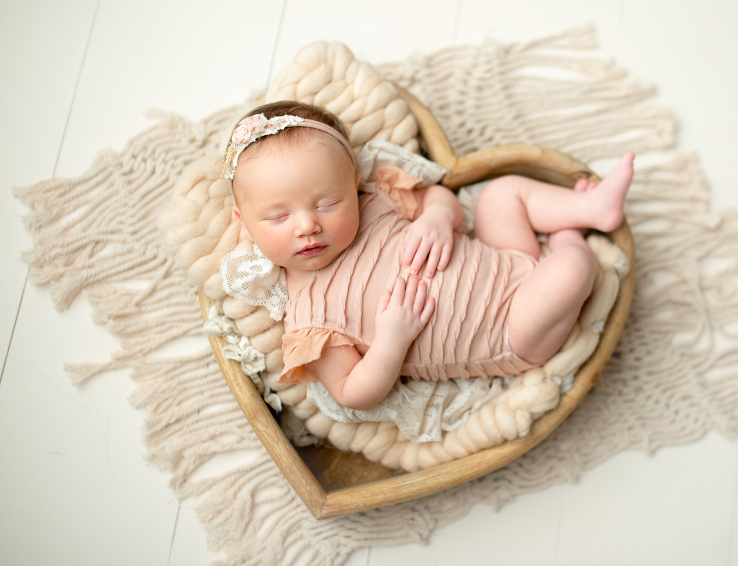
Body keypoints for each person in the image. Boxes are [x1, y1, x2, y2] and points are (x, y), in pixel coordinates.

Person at [222, 100, 633, 410]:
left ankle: (591, 209)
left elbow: (440, 197)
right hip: (510, 330)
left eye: (328, 203)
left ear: (354, 185)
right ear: (245, 223)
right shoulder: (310, 317)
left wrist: (437, 217)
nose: (307, 226)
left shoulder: (377, 201)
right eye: (278, 216)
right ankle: (568, 239)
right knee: (569, 272)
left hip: (502, 256)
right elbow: (351, 391)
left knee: (501, 193)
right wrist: (390, 341)